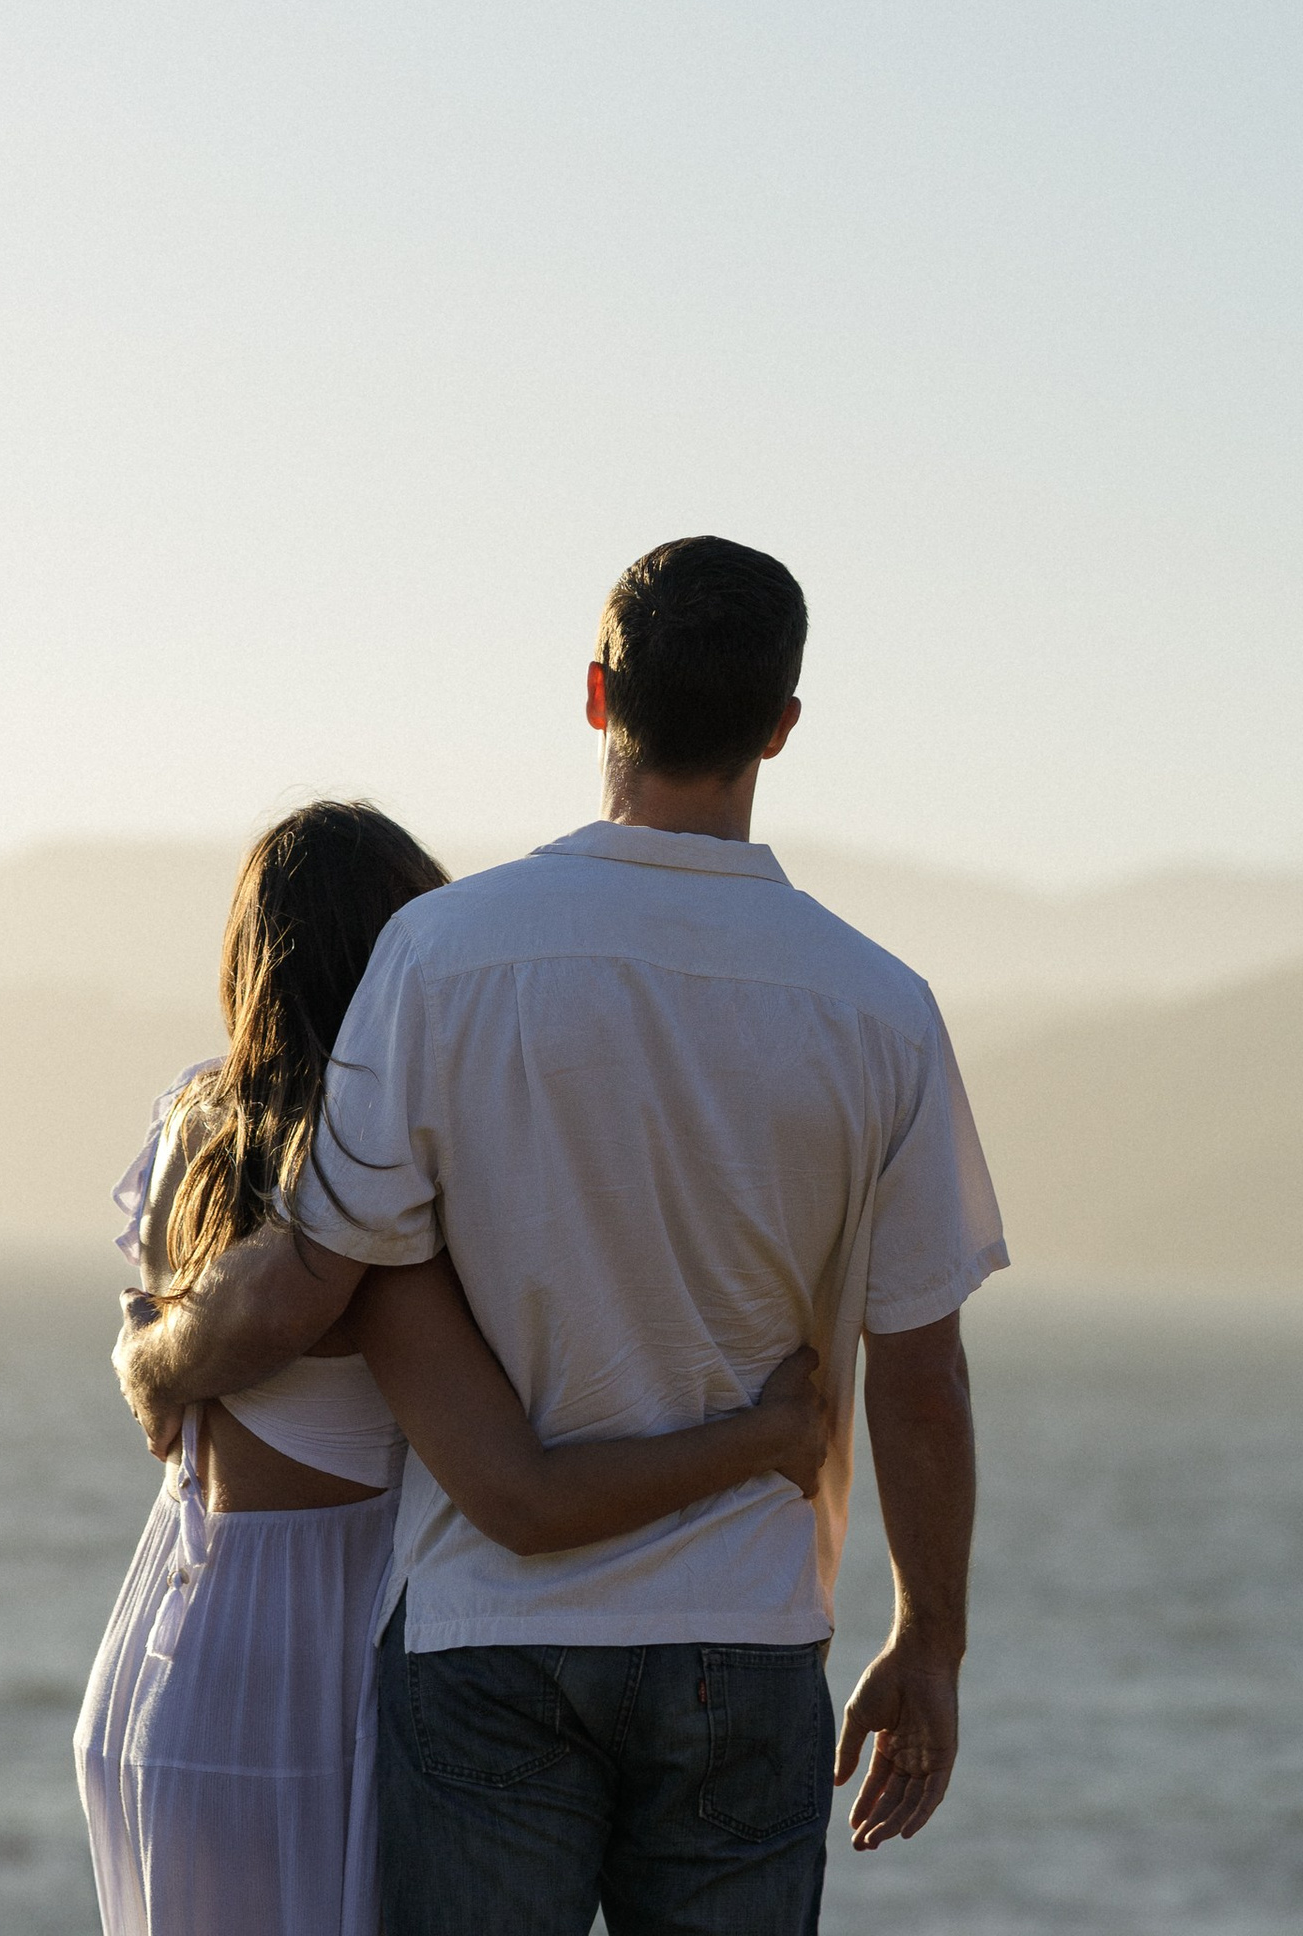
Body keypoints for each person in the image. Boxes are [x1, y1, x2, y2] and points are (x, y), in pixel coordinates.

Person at [118, 537, 1007, 1936]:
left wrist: (163, 1361)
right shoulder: (881, 1008)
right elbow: (920, 1370)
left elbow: (320, 1269)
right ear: (780, 726)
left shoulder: (445, 957)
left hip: (488, 1634)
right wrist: (932, 1643)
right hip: (748, 1631)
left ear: (599, 698)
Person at [76, 795, 829, 1936]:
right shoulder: (363, 1201)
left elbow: (179, 1330)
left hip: (171, 1648)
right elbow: (518, 1495)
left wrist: (152, 1358)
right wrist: (766, 1438)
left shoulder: (197, 1127)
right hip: (311, 1680)